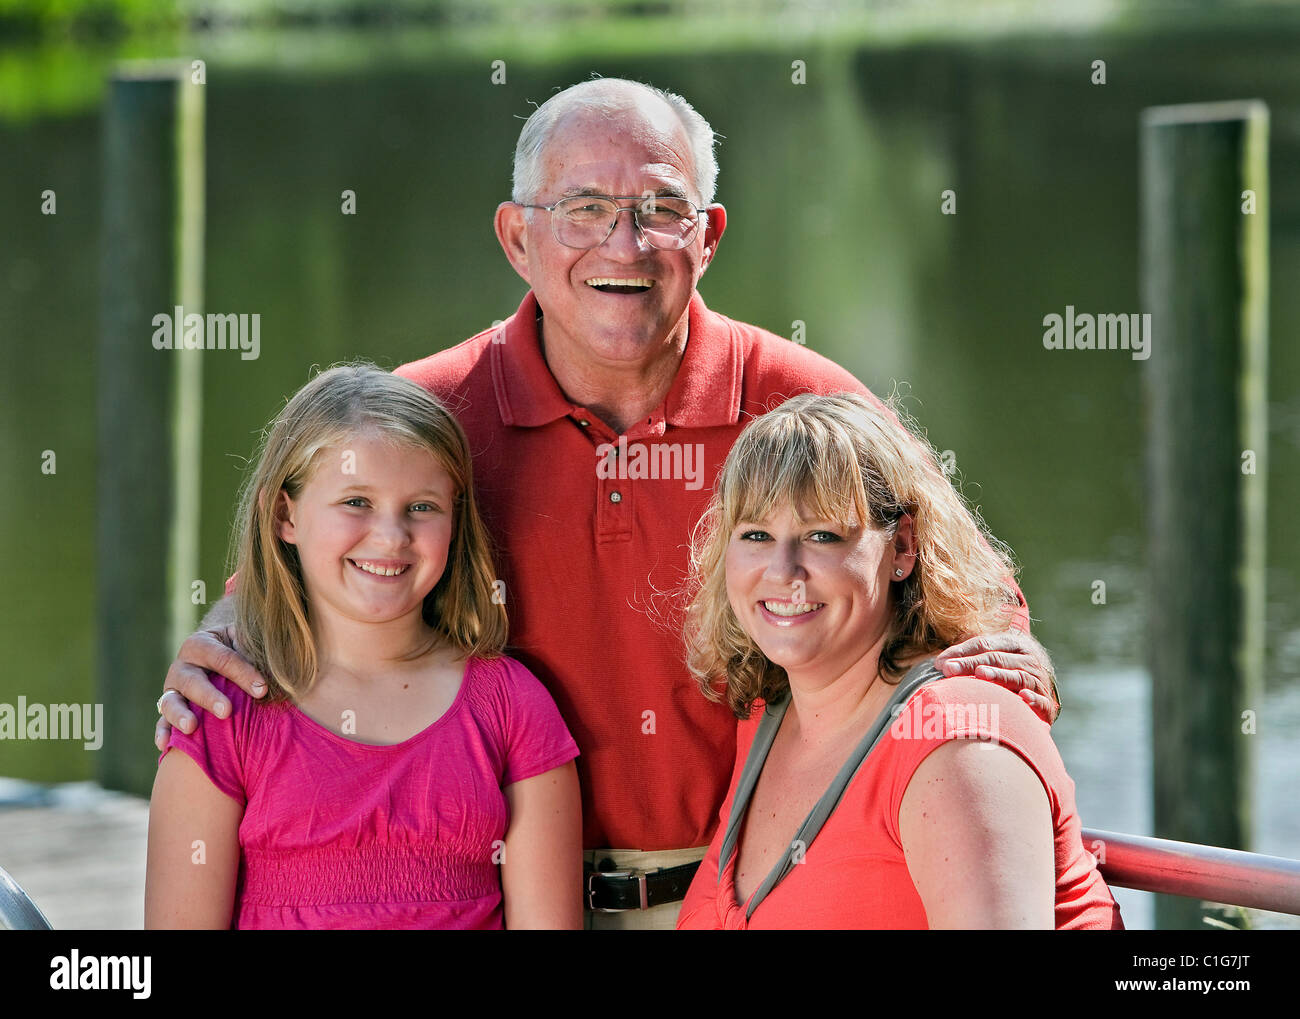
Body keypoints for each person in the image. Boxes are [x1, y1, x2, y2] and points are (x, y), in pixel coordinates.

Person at [153, 78, 1060, 929]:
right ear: (516, 237)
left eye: (661, 211)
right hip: (503, 898)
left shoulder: (803, 408)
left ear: (708, 235)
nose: (623, 244)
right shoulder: (428, 421)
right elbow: (295, 574)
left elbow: (969, 601)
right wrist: (218, 640)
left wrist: (999, 666)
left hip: (740, 895)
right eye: (582, 209)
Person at [145, 365, 582, 929]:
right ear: (285, 516)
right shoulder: (224, 714)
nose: (391, 537)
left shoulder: (512, 706)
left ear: (456, 520)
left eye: (422, 507)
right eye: (356, 501)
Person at [675, 393, 1122, 929]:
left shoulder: (957, 740)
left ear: (902, 548)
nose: (782, 570)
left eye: (822, 535)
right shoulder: (769, 713)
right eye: (755, 535)